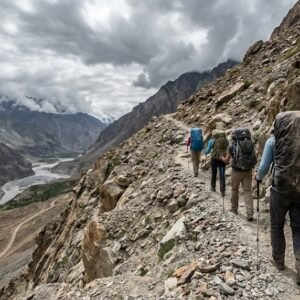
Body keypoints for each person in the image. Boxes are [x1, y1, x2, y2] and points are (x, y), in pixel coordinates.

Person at [256, 111, 300, 284]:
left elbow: (264, 167)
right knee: (298, 229)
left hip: (279, 187)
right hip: (299, 189)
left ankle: (279, 260)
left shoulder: (273, 141)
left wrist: (258, 178)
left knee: (277, 225)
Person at [221, 128, 257, 221]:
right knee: (247, 191)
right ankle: (250, 213)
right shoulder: (251, 144)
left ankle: (234, 209)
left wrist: (222, 158)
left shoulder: (232, 146)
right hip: (248, 170)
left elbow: (227, 161)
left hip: (236, 171)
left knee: (234, 189)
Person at [204, 129, 228, 196]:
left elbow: (208, 150)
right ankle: (223, 190)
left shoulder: (212, 140)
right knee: (222, 174)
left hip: (214, 158)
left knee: (214, 173)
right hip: (222, 158)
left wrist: (205, 152)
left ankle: (213, 187)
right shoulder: (226, 140)